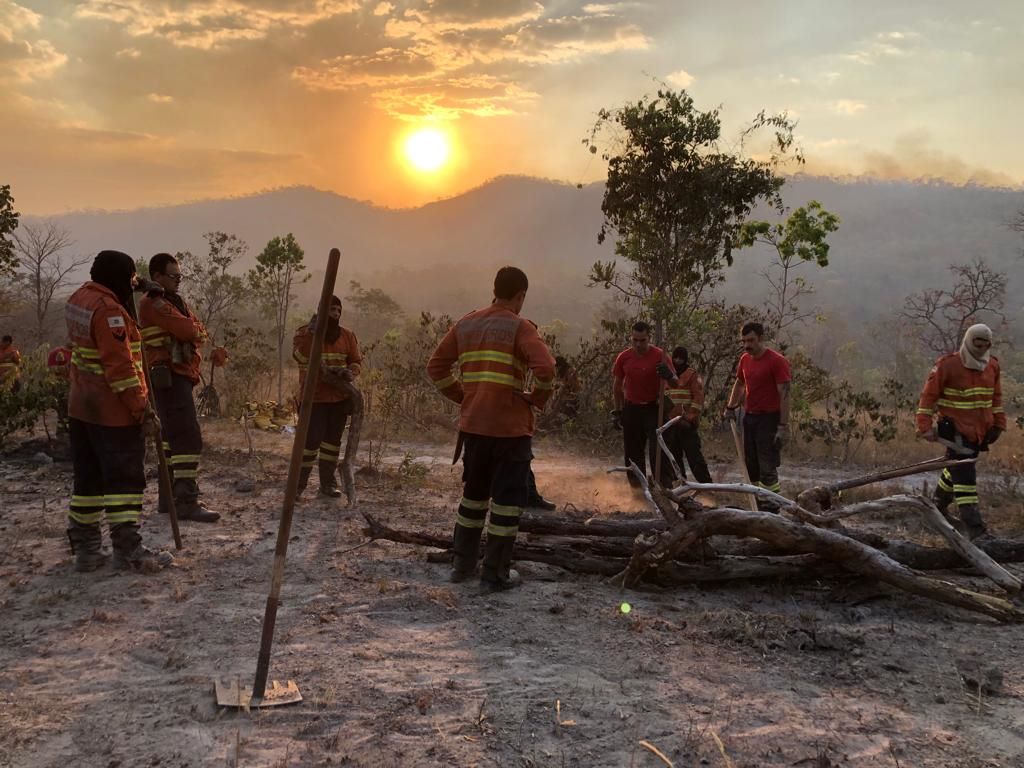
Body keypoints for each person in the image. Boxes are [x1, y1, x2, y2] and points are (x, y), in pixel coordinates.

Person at [427, 266, 555, 592]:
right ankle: (495, 574)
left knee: (473, 497)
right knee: (507, 503)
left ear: (495, 288)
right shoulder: (520, 327)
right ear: (520, 295)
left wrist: (463, 396)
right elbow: (546, 368)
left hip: (475, 426)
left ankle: (462, 565)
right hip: (510, 430)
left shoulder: (467, 323)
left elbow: (436, 366)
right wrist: (535, 399)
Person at [65, 250, 172, 572]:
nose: (132, 282)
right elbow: (121, 369)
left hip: (81, 407)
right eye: (130, 277)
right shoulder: (110, 312)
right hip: (112, 411)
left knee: (89, 480)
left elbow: (129, 283)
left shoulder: (80, 297)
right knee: (124, 478)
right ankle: (128, 550)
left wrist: (145, 286)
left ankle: (86, 550)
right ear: (116, 277)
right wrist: (143, 411)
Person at [139, 253, 219, 522]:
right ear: (157, 276)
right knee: (186, 437)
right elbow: (188, 330)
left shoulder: (177, 302)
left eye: (180, 276)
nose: (178, 281)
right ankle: (185, 500)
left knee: (171, 439)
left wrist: (193, 330)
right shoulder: (154, 303)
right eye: (173, 276)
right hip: (168, 378)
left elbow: (200, 332)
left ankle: (169, 500)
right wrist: (191, 330)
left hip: (182, 376)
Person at [916, 323, 1005, 539]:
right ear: (968, 340)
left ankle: (936, 506)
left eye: (986, 344)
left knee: (955, 467)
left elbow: (996, 398)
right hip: (954, 430)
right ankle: (976, 530)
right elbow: (928, 397)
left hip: (980, 431)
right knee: (965, 475)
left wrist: (999, 424)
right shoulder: (947, 365)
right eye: (978, 343)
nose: (982, 348)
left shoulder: (992, 366)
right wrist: (924, 426)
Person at [292, 295, 362, 498]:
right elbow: (299, 356)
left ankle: (327, 484)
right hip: (313, 398)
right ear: (321, 311)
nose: (336, 314)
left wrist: (351, 372)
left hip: (338, 398)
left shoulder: (348, 336)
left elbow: (356, 361)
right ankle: (297, 486)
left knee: (332, 443)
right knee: (310, 442)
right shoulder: (305, 333)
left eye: (338, 311)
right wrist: (313, 335)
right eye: (331, 310)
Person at [723, 322, 791, 511]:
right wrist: (730, 407)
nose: (746, 345)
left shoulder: (776, 361)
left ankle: (772, 507)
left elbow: (784, 394)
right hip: (749, 418)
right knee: (751, 465)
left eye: (751, 340)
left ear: (761, 338)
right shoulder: (745, 359)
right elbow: (739, 383)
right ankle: (758, 504)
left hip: (769, 419)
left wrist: (783, 426)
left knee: (767, 467)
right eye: (743, 341)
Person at [611, 322, 674, 486]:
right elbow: (617, 385)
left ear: (649, 338)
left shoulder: (660, 356)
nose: (638, 344)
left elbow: (675, 383)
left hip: (654, 408)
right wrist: (617, 411)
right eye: (635, 340)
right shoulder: (624, 357)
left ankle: (664, 488)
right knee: (632, 453)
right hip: (631, 408)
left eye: (642, 340)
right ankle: (638, 491)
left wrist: (668, 375)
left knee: (657, 450)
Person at [663, 346, 713, 484]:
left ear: (685, 359)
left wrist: (689, 417)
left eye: (681, 358)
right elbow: (664, 397)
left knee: (694, 457)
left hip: (687, 424)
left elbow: (698, 398)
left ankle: (707, 485)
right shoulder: (667, 376)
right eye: (675, 358)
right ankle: (680, 484)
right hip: (671, 424)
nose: (678, 361)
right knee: (674, 457)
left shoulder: (692, 375)